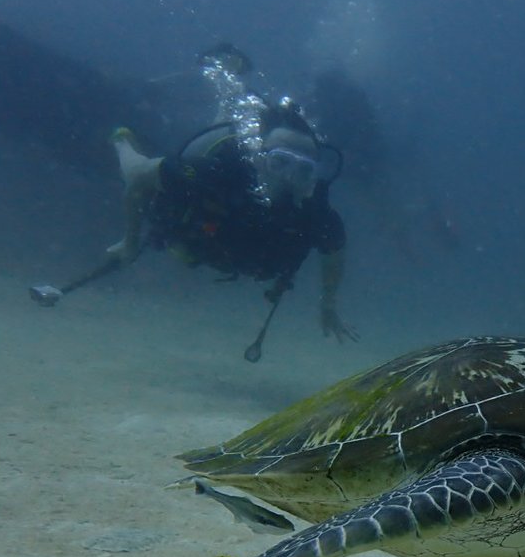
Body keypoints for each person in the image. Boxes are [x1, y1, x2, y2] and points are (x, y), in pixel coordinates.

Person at [30, 97, 357, 360]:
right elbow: (138, 180)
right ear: (258, 156)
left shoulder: (315, 212)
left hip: (218, 247)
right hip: (182, 219)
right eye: (280, 162)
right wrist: (130, 241)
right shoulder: (211, 173)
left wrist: (328, 303)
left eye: (303, 170)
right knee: (136, 166)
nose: (288, 178)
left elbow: (334, 253)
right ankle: (123, 142)